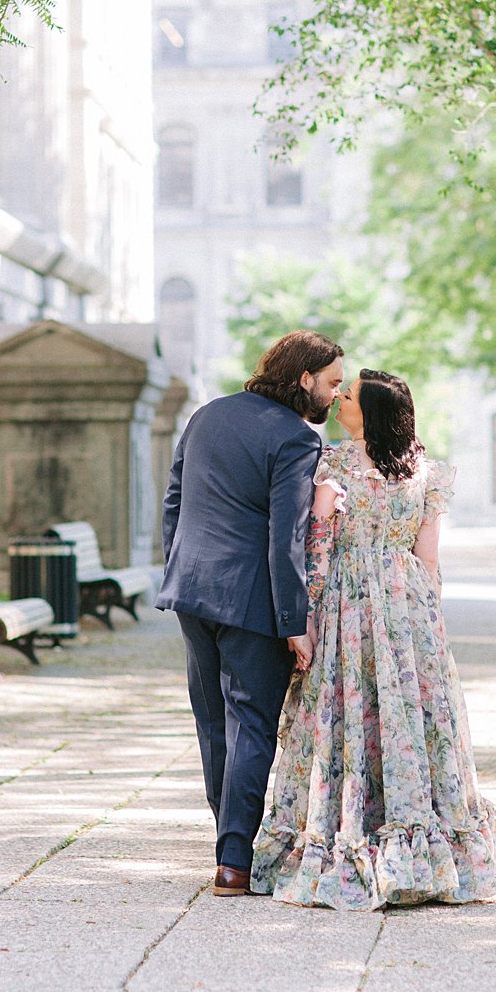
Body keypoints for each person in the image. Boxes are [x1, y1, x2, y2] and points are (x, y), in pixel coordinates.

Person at [251, 370, 496, 909]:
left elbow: (318, 548)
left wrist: (305, 617)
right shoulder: (424, 472)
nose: (339, 399)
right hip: (407, 611)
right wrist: (431, 628)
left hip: (349, 607)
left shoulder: (334, 467)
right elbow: (429, 560)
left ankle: (353, 839)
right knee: (407, 717)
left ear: (367, 414)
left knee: (348, 715)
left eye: (348, 396)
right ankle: (417, 842)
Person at [158, 329, 344, 899]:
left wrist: (179, 566)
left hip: (192, 590)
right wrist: (295, 621)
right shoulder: (296, 439)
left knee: (214, 724)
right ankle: (234, 861)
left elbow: (173, 502)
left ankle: (228, 852)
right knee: (253, 726)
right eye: (334, 382)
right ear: (304, 377)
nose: (337, 395)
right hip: (251, 600)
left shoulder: (206, 415)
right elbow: (284, 536)